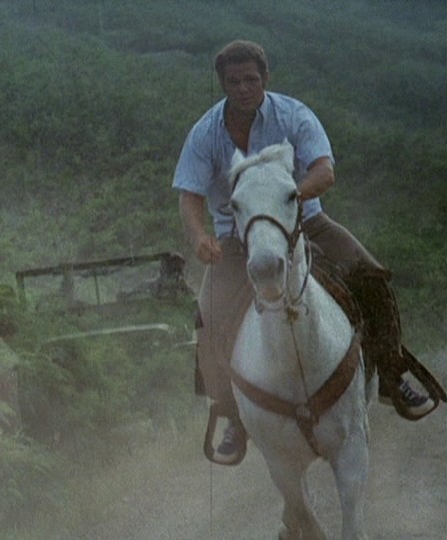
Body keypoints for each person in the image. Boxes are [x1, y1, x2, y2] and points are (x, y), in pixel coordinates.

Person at [173, 40, 437, 466]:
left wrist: (286, 198)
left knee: (371, 277)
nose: (242, 88)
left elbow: (324, 171)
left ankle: (392, 371)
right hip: (239, 236)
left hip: (304, 221)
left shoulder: (293, 115)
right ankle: (231, 414)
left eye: (251, 79)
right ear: (222, 83)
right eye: (233, 81)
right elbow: (189, 195)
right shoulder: (206, 132)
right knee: (207, 315)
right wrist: (199, 236)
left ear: (265, 78)